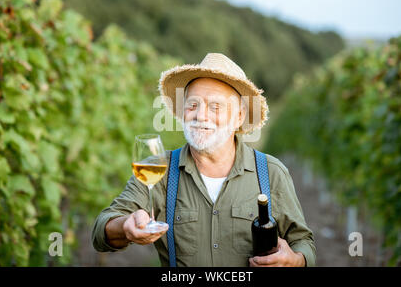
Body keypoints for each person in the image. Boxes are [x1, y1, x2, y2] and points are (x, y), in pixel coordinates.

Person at [92, 53, 316, 267]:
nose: (200, 115)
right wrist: (125, 226)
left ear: (239, 116)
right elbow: (102, 229)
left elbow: (303, 241)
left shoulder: (271, 172)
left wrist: (296, 260)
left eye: (215, 106)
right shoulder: (157, 169)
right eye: (192, 105)